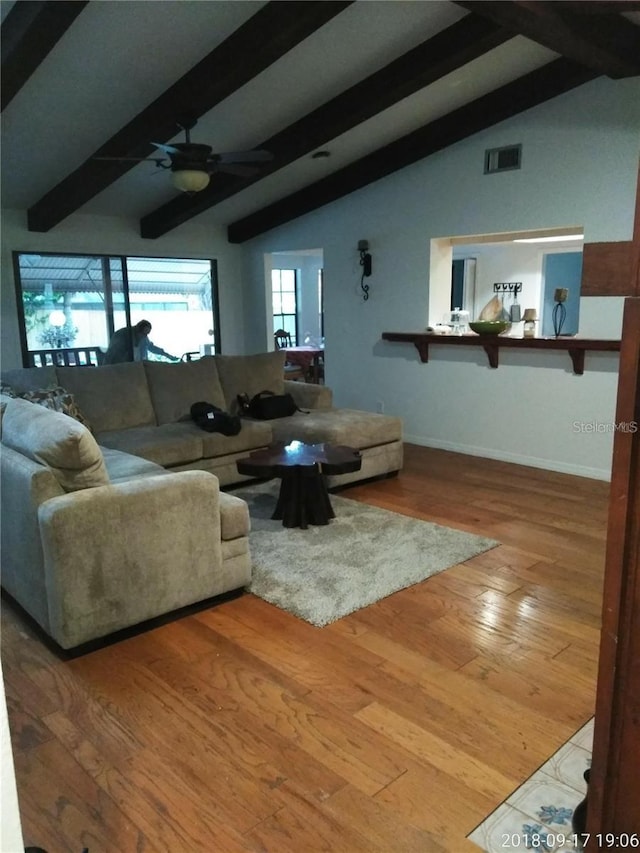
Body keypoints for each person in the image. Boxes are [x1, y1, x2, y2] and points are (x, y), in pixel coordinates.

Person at [103, 319, 179, 364]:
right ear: (137, 330)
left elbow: (151, 348)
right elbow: (114, 354)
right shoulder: (122, 335)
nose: (145, 337)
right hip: (118, 367)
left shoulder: (143, 338)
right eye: (144, 334)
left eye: (147, 334)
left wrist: (168, 355)